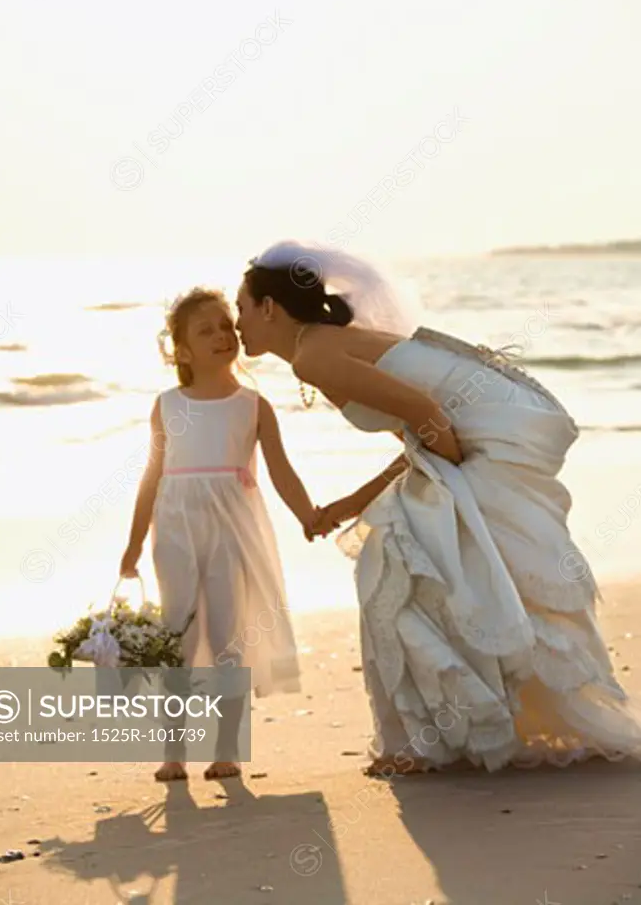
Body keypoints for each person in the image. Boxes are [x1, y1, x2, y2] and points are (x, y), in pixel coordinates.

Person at [235, 239, 641, 774]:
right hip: (477, 428)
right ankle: (480, 721)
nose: (237, 322)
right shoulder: (325, 344)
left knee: (401, 563)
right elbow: (418, 431)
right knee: (457, 565)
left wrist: (452, 484)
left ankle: (438, 736)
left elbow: (426, 414)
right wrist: (355, 501)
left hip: (485, 437)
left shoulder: (314, 355)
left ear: (269, 308)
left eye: (241, 308)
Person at [119, 287, 316, 782]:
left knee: (229, 634)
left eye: (226, 325)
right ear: (181, 350)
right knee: (178, 634)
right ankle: (174, 753)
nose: (222, 335)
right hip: (176, 526)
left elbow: (282, 473)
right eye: (205, 330)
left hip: (232, 525)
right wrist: (134, 542)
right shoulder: (166, 405)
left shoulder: (253, 405)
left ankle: (227, 749)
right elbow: (152, 474)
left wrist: (308, 514)